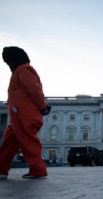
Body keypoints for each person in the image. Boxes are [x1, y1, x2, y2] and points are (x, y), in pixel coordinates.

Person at [0, 47, 51, 179]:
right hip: (18, 113)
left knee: (29, 143)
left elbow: (34, 90)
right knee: (9, 143)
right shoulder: (20, 70)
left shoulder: (23, 69)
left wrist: (43, 107)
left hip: (23, 113)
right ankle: (1, 170)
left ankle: (38, 170)